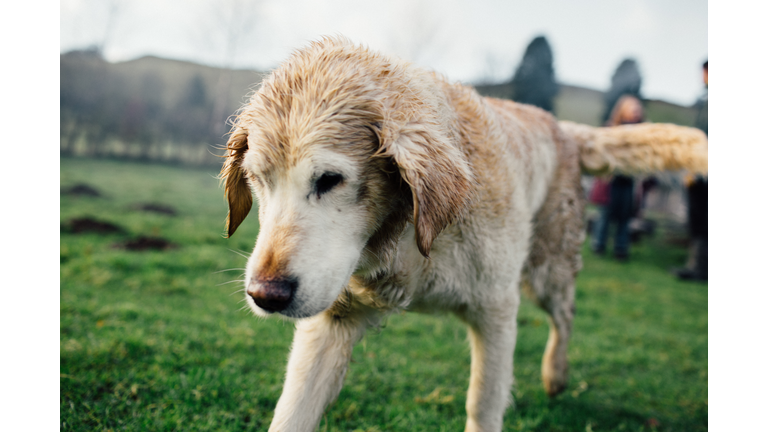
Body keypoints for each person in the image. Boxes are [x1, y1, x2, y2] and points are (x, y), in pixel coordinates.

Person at [592, 95, 644, 261]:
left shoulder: (643, 133)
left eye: (637, 108)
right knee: (605, 213)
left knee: (625, 215)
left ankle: (621, 248)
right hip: (611, 178)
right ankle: (598, 244)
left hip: (629, 179)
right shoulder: (611, 129)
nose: (636, 111)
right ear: (622, 110)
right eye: (632, 107)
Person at [674, 61, 708, 281]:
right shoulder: (705, 99)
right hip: (699, 171)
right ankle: (695, 265)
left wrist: (695, 171)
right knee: (697, 220)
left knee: (703, 220)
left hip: (705, 173)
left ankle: (701, 269)